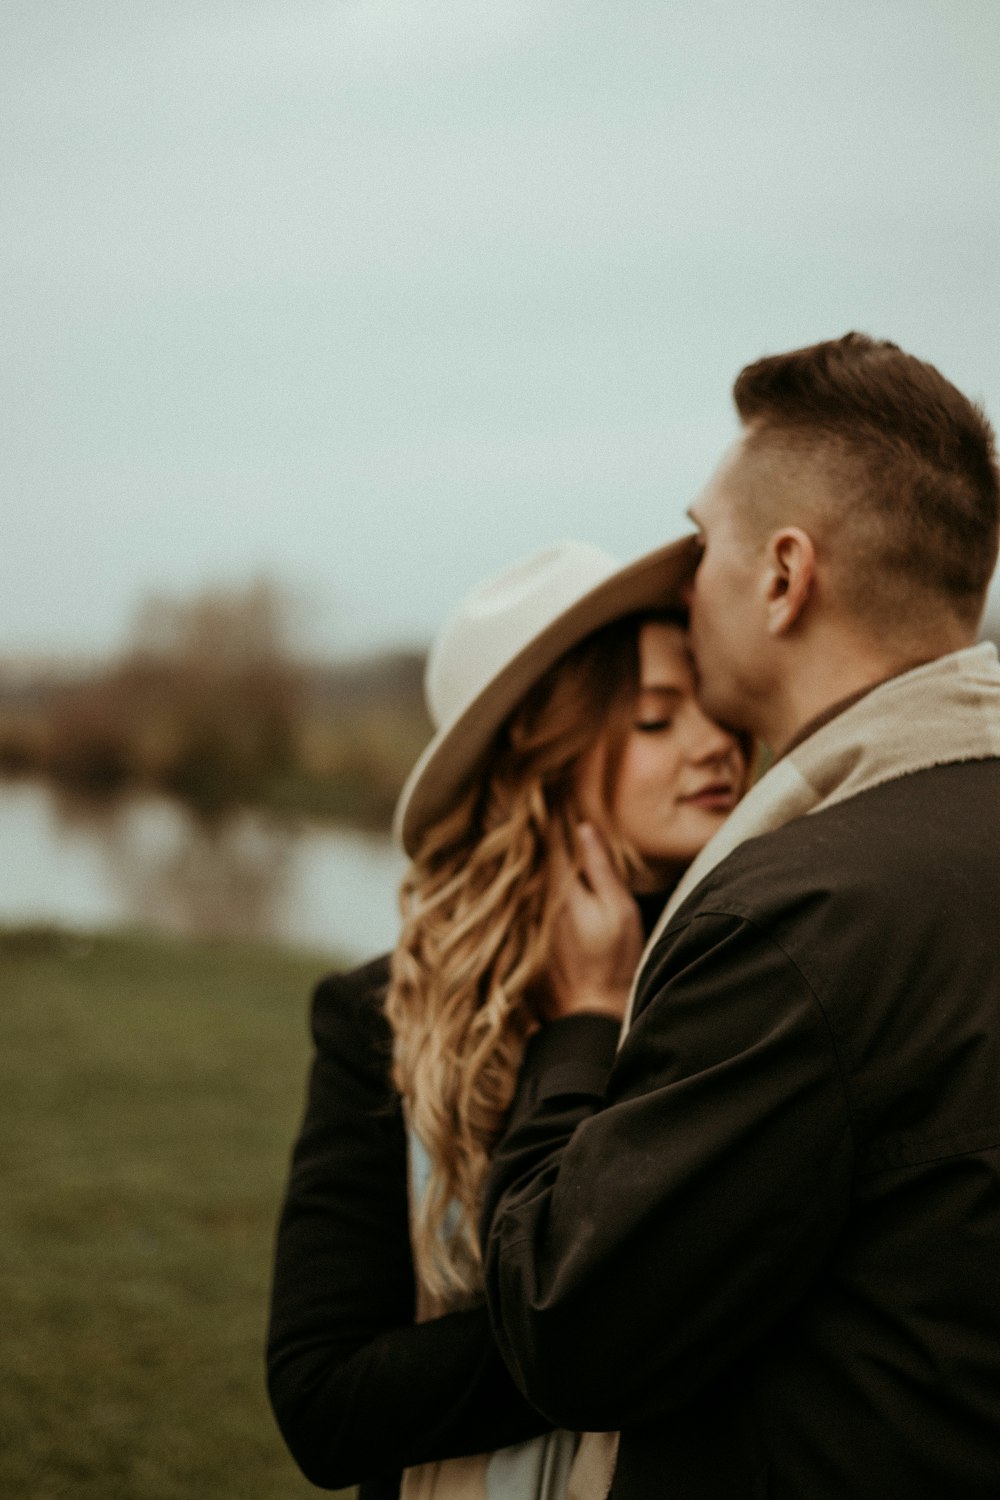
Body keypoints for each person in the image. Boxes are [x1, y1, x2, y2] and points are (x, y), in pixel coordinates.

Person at [480, 333, 1000, 1499]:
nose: (682, 579)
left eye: (700, 540)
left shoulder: (794, 919)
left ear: (781, 574)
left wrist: (580, 1027)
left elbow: (568, 1330)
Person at [266, 538, 750, 1500]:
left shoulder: (743, 982)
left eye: (718, 704)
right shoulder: (381, 1017)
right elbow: (326, 1403)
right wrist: (609, 1328)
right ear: (545, 760)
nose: (717, 743)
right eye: (657, 718)